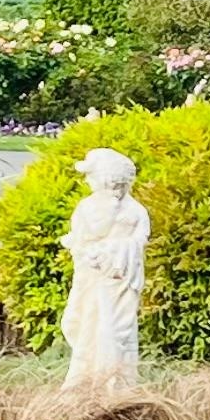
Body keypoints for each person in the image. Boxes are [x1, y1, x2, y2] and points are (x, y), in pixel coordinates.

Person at [59, 146, 152, 393]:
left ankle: (115, 384)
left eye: (91, 176)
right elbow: (81, 241)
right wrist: (81, 248)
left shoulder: (134, 212)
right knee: (85, 325)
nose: (88, 181)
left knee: (113, 331)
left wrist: (110, 252)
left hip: (119, 284)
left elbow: (139, 240)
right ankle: (87, 380)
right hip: (92, 281)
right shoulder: (87, 208)